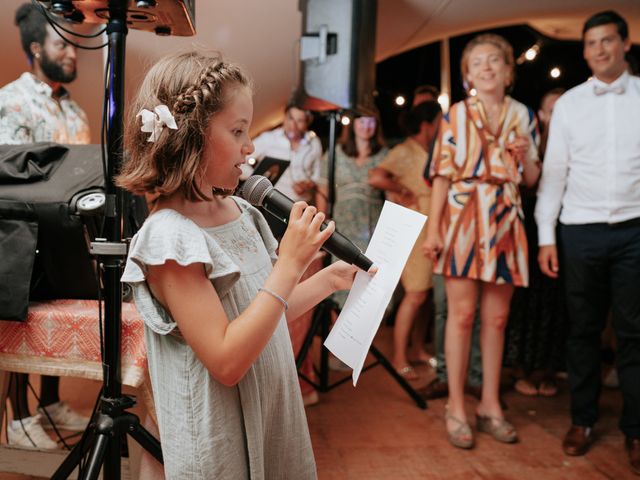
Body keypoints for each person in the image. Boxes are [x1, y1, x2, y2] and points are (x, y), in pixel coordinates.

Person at [116, 50, 367, 479]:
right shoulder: (169, 238)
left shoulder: (242, 212)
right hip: (219, 438)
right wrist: (290, 263)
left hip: (271, 416)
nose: (250, 146)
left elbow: (264, 308)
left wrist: (328, 279)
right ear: (190, 137)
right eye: (237, 131)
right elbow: (227, 360)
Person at [535, 11, 640, 474]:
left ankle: (636, 430)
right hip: (579, 230)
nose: (599, 50)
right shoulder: (572, 105)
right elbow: (554, 174)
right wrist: (545, 236)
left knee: (635, 333)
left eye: (608, 40)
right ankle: (582, 420)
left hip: (636, 230)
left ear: (625, 43)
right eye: (592, 43)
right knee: (582, 330)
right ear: (585, 51)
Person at [423, 33, 541, 449]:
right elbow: (440, 174)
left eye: (495, 60)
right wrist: (434, 229)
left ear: (509, 71)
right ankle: (456, 405)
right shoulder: (456, 114)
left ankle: (490, 404)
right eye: (477, 62)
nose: (487, 67)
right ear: (468, 75)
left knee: (496, 319)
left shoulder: (524, 115)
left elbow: (530, 180)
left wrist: (525, 156)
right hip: (463, 218)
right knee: (461, 316)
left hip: (507, 217)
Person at [0, 3, 90, 449]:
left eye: (74, 44)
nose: (73, 52)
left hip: (65, 231)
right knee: (26, 319)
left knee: (62, 311)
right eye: (62, 44)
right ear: (37, 49)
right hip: (23, 231)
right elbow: (10, 175)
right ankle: (18, 422)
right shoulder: (11, 100)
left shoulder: (73, 110)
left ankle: (50, 404)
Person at [368, 101, 440, 379]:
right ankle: (399, 357)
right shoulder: (405, 150)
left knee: (427, 296)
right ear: (427, 125)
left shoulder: (430, 151)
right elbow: (375, 177)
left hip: (434, 224)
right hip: (416, 227)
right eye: (438, 122)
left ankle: (419, 348)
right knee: (416, 293)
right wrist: (401, 189)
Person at [507, 88, 567, 398]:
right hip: (528, 226)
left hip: (562, 228)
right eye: (552, 109)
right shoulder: (529, 142)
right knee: (524, 297)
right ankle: (519, 367)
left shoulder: (575, 141)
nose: (558, 114)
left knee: (554, 299)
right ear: (541, 115)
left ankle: (546, 368)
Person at [316, 113, 387, 310]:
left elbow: (392, 193)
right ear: (353, 124)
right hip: (343, 227)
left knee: (369, 283)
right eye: (362, 121)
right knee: (340, 283)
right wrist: (321, 229)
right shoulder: (335, 153)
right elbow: (322, 190)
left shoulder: (384, 155)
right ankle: (337, 337)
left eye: (371, 120)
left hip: (372, 226)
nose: (366, 125)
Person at [250, 101, 322, 204]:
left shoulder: (314, 142)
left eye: (300, 120)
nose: (293, 124)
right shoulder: (268, 138)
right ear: (284, 117)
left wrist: (309, 184)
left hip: (305, 203)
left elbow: (318, 172)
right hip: (275, 203)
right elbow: (242, 158)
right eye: (290, 118)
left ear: (307, 123)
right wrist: (255, 179)